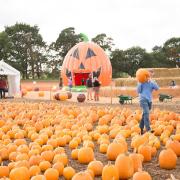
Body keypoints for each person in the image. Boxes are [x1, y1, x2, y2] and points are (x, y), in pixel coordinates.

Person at [137, 70, 159, 134]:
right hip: (142, 100)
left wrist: (153, 81)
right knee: (146, 113)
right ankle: (148, 129)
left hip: (149, 101)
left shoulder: (151, 83)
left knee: (145, 114)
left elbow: (157, 88)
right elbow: (138, 91)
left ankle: (140, 127)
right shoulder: (141, 83)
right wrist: (140, 83)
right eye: (145, 76)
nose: (147, 78)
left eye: (148, 76)